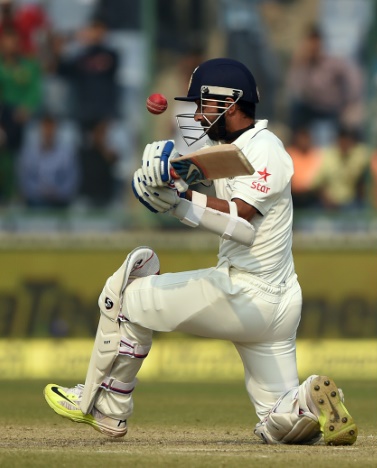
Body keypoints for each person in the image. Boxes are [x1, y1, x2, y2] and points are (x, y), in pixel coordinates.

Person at [42, 57, 357, 446]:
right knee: (276, 420)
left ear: (230, 102)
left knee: (126, 296)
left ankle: (107, 404)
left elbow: (241, 222)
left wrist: (177, 201)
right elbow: (187, 166)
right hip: (277, 303)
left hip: (247, 294)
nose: (198, 113)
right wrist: (161, 172)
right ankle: (308, 402)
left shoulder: (267, 149)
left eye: (203, 104)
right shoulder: (234, 147)